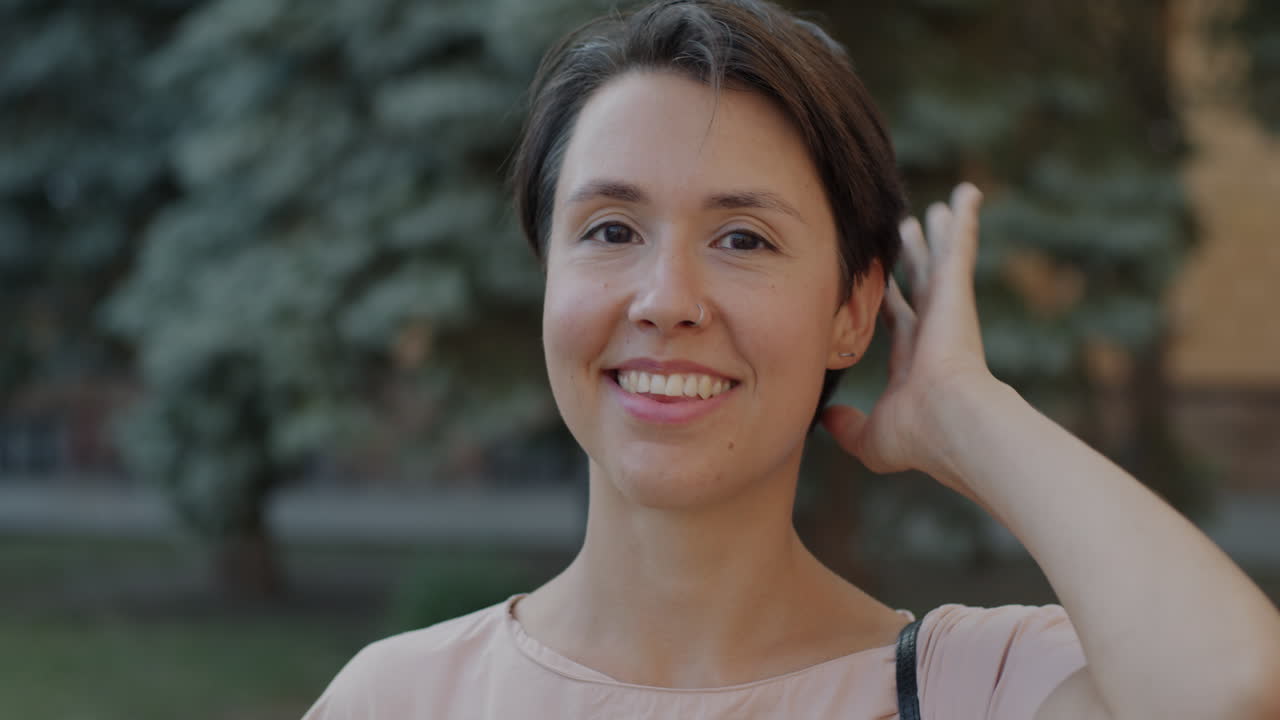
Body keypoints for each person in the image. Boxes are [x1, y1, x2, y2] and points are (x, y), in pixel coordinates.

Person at [303, 1, 1280, 717]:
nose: (664, 300)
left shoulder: (961, 693)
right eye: (608, 229)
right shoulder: (404, 698)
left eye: (742, 239)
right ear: (547, 278)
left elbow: (1227, 687)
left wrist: (965, 412)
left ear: (851, 312)